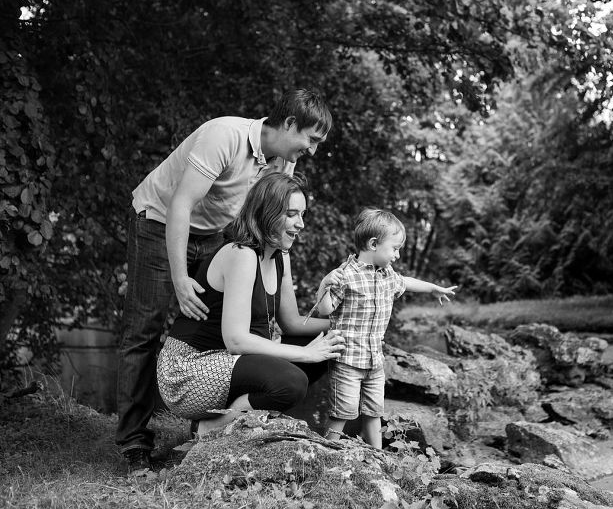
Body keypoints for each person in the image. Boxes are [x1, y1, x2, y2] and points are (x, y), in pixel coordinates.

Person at [116, 89, 332, 471]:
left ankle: (218, 417)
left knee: (224, 319)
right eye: (311, 140)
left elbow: (266, 213)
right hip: (160, 221)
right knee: (144, 330)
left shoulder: (282, 164)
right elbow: (181, 204)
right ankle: (134, 443)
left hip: (212, 232)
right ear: (289, 124)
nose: (312, 151)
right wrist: (181, 278)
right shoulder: (225, 136)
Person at [156, 172, 345, 441]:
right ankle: (214, 428)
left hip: (230, 363)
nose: (301, 224)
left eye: (303, 214)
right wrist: (305, 353)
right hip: (189, 371)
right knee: (291, 382)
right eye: (291, 214)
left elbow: (291, 322)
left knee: (329, 345)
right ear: (266, 212)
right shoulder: (241, 254)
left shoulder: (280, 257)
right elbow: (236, 340)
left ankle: (243, 418)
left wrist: (344, 326)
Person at [314, 209, 457, 448]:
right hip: (347, 361)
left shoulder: (387, 275)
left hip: (375, 361)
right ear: (373, 244)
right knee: (343, 412)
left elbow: (406, 282)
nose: (398, 255)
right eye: (395, 248)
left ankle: (377, 457)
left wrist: (433, 288)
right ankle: (325, 453)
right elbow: (325, 310)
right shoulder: (346, 275)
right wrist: (323, 286)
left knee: (373, 411)